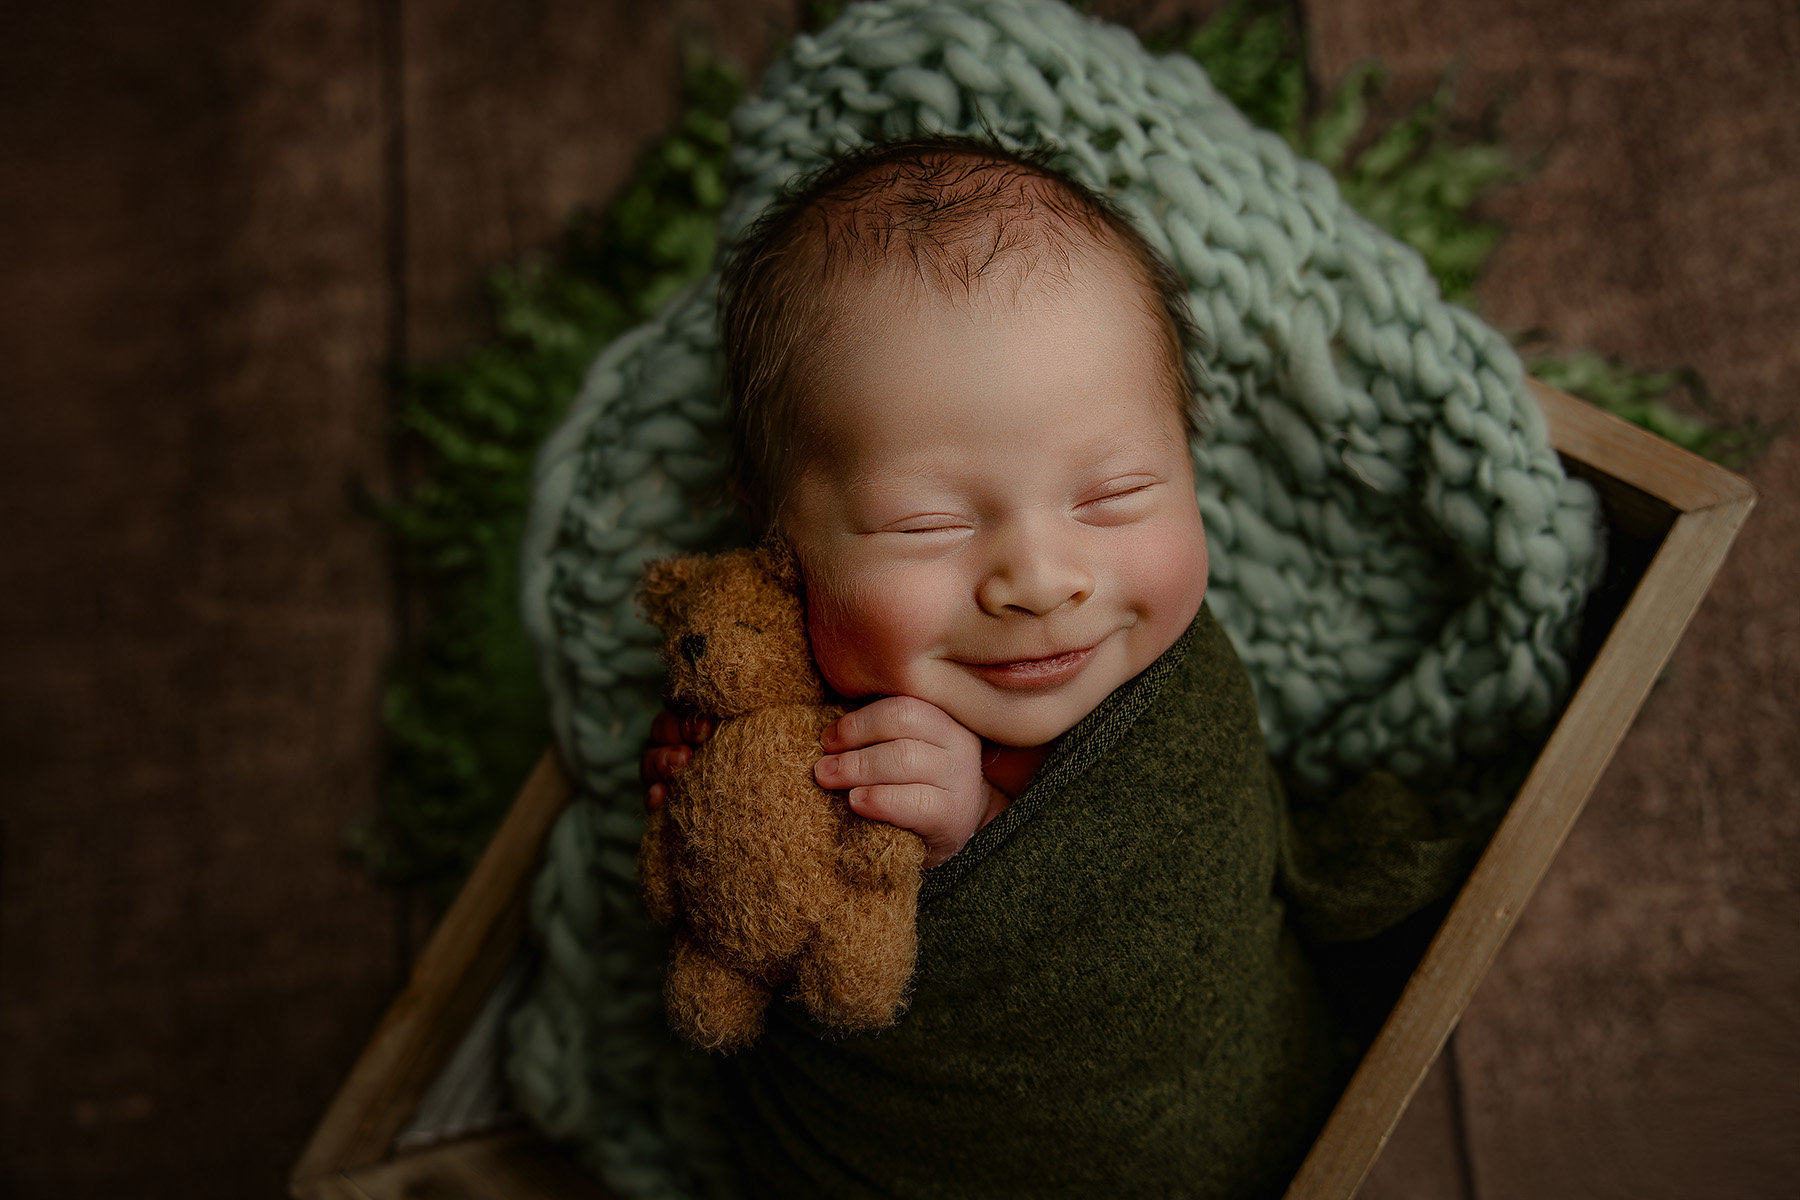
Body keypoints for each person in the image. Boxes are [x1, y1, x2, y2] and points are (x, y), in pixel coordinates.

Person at [642, 136, 1473, 1199]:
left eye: (1117, 494)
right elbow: (752, 913)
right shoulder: (771, 692)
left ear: (1187, 458)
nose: (1038, 579)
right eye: (928, 522)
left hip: (1246, 1129)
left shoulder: (1172, 700)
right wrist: (697, 805)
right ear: (776, 537)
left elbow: (1163, 895)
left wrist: (970, 831)